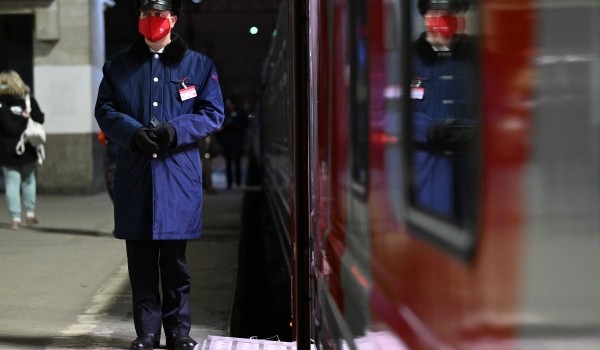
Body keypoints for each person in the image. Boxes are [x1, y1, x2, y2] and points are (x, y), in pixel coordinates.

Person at [94, 0, 224, 349]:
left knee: (175, 262)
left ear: (173, 19)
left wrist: (175, 130)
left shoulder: (197, 65)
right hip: (136, 175)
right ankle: (147, 333)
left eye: (159, 15)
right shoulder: (119, 67)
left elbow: (213, 112)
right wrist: (132, 133)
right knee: (140, 262)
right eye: (146, 15)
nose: (152, 21)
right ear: (139, 19)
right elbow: (105, 110)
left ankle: (179, 332)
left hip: (177, 176)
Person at [410, 0, 476, 221]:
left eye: (451, 12)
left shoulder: (476, 59)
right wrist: (429, 129)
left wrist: (475, 129)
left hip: (471, 168)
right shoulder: (408, 61)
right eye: (437, 11)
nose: (445, 17)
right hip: (429, 172)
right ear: (424, 16)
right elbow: (389, 115)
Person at [0, 70, 45, 230]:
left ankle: (15, 218)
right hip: (27, 148)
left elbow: (7, 127)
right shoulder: (27, 99)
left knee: (12, 183)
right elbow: (40, 118)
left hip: (5, 150)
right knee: (28, 180)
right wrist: (26, 116)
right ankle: (30, 214)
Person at [216, 98, 248, 189]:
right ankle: (229, 183)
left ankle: (238, 182)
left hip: (237, 142)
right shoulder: (225, 114)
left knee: (237, 163)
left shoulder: (240, 113)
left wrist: (231, 125)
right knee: (228, 164)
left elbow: (243, 125)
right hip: (228, 143)